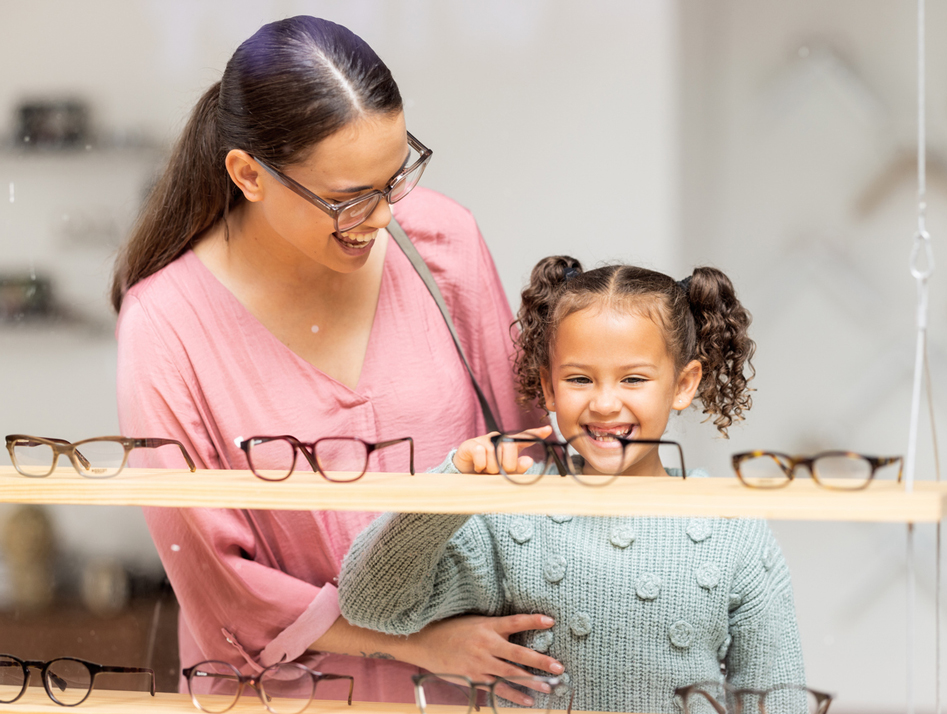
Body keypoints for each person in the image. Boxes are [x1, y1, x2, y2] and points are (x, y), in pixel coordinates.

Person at [112, 16, 559, 703]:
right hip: (288, 694)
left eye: (395, 176)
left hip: (473, 684)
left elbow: (526, 450)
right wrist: (417, 643)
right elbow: (216, 580)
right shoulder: (166, 325)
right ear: (247, 175)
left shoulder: (442, 242)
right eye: (348, 199)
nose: (381, 216)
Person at [339, 257, 806, 713]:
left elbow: (778, 696)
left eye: (634, 378)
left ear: (683, 384)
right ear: (548, 388)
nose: (604, 403)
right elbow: (371, 605)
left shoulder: (732, 528)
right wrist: (451, 489)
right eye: (580, 378)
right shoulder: (511, 513)